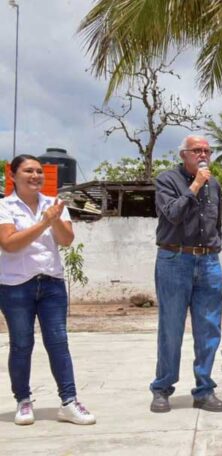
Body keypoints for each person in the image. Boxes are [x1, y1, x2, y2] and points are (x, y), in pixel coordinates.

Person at [0, 155, 96, 425]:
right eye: (28, 171)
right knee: (21, 345)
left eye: (39, 171)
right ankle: (23, 400)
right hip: (16, 286)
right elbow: (9, 244)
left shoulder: (55, 204)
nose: (35, 176)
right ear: (13, 176)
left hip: (51, 284)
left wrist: (54, 219)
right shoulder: (5, 207)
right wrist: (44, 222)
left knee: (58, 343)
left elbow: (66, 240)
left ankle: (69, 401)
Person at [149, 135, 222, 413]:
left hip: (207, 261)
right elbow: (172, 214)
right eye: (197, 150)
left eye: (207, 150)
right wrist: (195, 186)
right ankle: (162, 388)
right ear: (184, 154)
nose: (203, 154)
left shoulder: (215, 184)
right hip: (174, 259)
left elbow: (216, 222)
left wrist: (215, 246)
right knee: (171, 326)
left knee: (209, 327)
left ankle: (204, 390)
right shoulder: (167, 180)